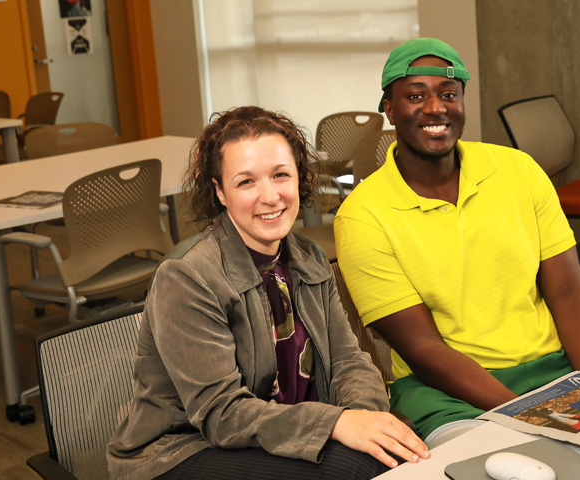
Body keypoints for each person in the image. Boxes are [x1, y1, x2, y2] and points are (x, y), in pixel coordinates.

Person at [107, 106, 428, 479]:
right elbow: (221, 414)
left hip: (282, 429)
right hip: (183, 448)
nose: (270, 196)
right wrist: (338, 424)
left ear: (299, 178)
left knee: (394, 450)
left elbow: (348, 361)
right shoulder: (187, 276)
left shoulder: (309, 257)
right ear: (220, 192)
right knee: (356, 467)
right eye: (246, 182)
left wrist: (364, 418)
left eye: (280, 175)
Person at [334, 38, 580, 445]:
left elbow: (569, 291)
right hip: (450, 390)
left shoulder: (517, 169)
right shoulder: (362, 216)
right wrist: (533, 419)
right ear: (390, 110)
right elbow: (424, 348)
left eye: (449, 94)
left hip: (559, 364)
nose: (435, 108)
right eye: (416, 96)